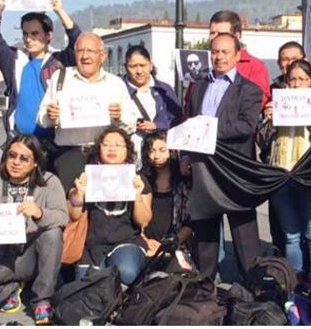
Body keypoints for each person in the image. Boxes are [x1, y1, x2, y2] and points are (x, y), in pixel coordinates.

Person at [0, 135, 68, 325]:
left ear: (35, 163)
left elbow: (62, 217)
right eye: (12, 155)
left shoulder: (49, 182)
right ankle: (12, 288)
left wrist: (40, 213)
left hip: (31, 254)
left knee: (52, 233)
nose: (16, 162)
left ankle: (42, 299)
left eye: (24, 158)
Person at [183, 32, 263, 280]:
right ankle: (204, 289)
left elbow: (247, 126)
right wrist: (185, 155)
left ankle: (254, 289)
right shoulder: (198, 86)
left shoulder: (249, 90)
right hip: (203, 169)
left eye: (225, 52)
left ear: (238, 55)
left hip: (235, 170)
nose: (218, 57)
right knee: (205, 236)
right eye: (215, 51)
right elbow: (188, 123)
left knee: (244, 236)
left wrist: (208, 128)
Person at [260, 59, 311, 285]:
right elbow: (262, 142)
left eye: (302, 79)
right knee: (291, 236)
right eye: (292, 79)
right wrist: (268, 120)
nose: (296, 84)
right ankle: (293, 282)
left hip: (310, 179)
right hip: (282, 176)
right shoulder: (277, 104)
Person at [36, 32, 139, 191]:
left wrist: (119, 116)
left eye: (90, 51)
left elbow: (132, 124)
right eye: (80, 51)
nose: (84, 56)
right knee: (72, 208)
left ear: (102, 56)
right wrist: (50, 116)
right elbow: (41, 119)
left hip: (104, 157)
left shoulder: (115, 83)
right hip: (68, 156)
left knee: (100, 211)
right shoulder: (61, 77)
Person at [66, 127, 153, 286]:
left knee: (127, 272)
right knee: (86, 286)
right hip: (91, 244)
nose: (112, 148)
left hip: (126, 240)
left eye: (118, 145)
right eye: (106, 144)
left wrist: (137, 195)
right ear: (99, 148)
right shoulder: (86, 176)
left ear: (127, 150)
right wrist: (79, 194)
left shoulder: (137, 179)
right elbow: (74, 215)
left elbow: (144, 221)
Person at [0, 0, 80, 138]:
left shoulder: (60, 61)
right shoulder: (13, 60)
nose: (28, 39)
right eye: (25, 34)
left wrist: (60, 11)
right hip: (20, 142)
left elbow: (77, 41)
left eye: (34, 34)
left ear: (49, 36)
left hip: (55, 142)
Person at [140, 132, 193, 255]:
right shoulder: (141, 180)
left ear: (172, 151)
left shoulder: (183, 180)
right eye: (152, 151)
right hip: (146, 246)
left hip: (177, 246)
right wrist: (145, 241)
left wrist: (170, 244)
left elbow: (191, 222)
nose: (157, 156)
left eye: (162, 150)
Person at [207, 10, 271, 107]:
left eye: (221, 33)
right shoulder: (203, 64)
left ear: (237, 36)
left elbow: (257, 102)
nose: (215, 37)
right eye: (212, 33)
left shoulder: (255, 66)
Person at [123, 44, 182, 139]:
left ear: (150, 65)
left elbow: (178, 120)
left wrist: (157, 126)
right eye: (133, 66)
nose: (139, 71)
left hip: (157, 150)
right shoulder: (118, 89)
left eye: (143, 65)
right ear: (126, 67)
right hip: (128, 149)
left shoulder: (164, 90)